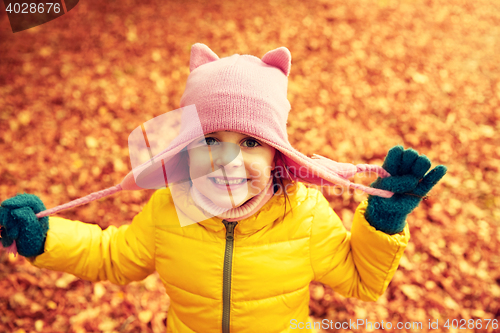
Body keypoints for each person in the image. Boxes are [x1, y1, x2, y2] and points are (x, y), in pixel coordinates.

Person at [0, 43, 446, 333]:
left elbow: (363, 281)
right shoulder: (168, 208)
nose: (228, 160)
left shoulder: (303, 214)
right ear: (186, 149)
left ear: (276, 155)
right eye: (210, 141)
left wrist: (384, 222)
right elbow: (113, 255)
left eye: (250, 142)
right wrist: (46, 238)